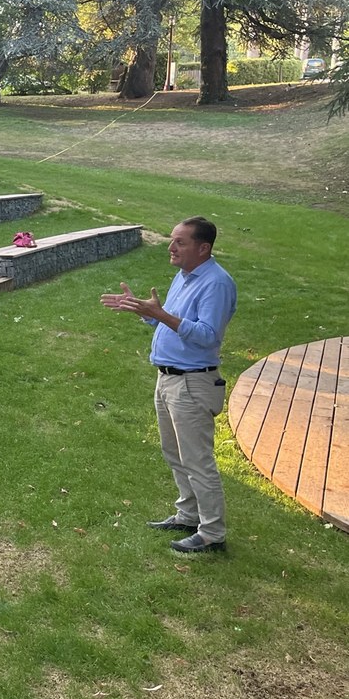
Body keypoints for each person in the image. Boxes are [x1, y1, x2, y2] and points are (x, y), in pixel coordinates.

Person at [100, 216, 237, 554]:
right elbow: (172, 320)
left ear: (203, 248)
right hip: (168, 379)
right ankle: (189, 515)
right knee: (175, 453)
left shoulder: (216, 283)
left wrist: (161, 315)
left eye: (180, 242)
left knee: (197, 461)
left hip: (192, 382)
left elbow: (208, 335)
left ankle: (212, 533)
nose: (171, 247)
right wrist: (145, 312)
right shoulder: (185, 275)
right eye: (172, 240)